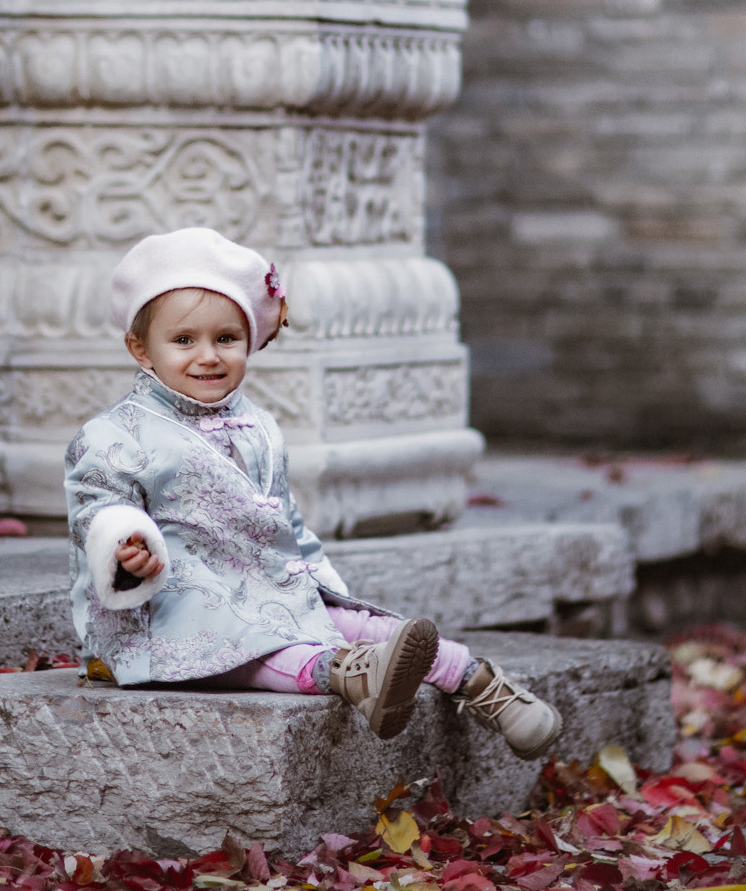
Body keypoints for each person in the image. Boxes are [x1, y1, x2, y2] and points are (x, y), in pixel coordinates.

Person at [63, 226, 563, 754]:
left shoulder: (257, 426)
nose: (208, 356)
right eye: (184, 340)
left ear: (248, 341)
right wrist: (126, 546)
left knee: (354, 622)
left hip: (262, 587)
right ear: (141, 349)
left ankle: (478, 682)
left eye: (226, 339)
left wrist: (314, 580)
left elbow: (283, 518)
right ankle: (346, 673)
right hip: (173, 608)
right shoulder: (117, 433)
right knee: (253, 641)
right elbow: (98, 504)